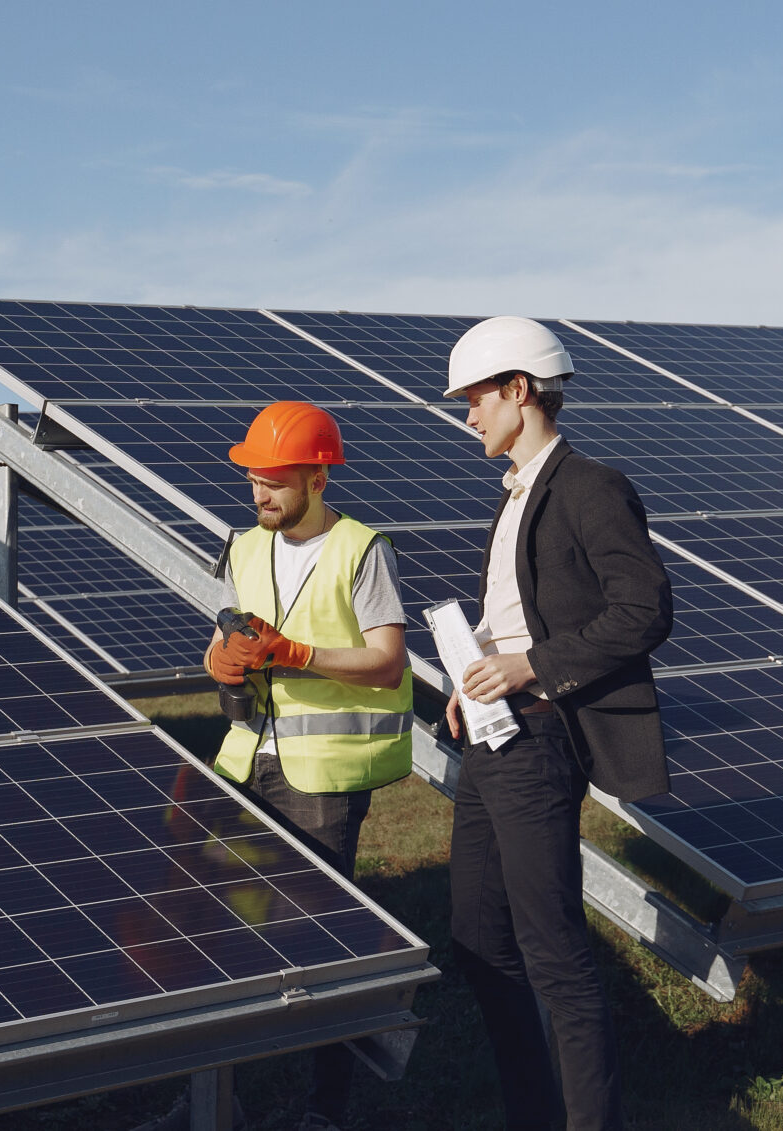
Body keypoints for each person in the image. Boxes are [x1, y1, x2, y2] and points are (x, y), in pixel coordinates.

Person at [126, 400, 412, 1131]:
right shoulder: (242, 546)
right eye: (253, 478)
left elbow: (386, 663)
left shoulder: (361, 549)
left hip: (324, 779)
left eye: (276, 480)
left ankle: (323, 1112)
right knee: (207, 928)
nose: (260, 493)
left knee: (323, 939)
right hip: (244, 762)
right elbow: (220, 641)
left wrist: (295, 653)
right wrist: (221, 661)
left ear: (318, 476)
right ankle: (213, 1104)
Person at [442, 317, 671, 1131]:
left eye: (474, 397)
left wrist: (529, 664)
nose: (467, 414)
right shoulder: (513, 495)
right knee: (474, 931)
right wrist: (475, 680)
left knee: (554, 953)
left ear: (518, 390)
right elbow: (517, 614)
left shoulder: (589, 485)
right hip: (492, 731)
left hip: (542, 737)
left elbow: (645, 610)